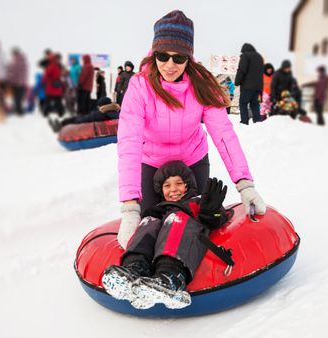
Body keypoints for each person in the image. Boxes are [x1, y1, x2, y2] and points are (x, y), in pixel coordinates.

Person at [115, 10, 266, 250]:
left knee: (196, 219)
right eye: (163, 56)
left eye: (179, 58)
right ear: (154, 54)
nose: (170, 65)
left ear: (189, 57)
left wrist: (245, 184)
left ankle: (181, 268)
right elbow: (129, 141)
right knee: (151, 221)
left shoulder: (202, 85)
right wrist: (130, 206)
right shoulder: (139, 86)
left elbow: (224, 135)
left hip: (192, 159)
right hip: (152, 161)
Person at [103, 161, 228, 309]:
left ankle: (170, 278)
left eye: (179, 183)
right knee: (149, 221)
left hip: (189, 242)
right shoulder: (158, 210)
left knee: (176, 219)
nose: (173, 189)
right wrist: (152, 217)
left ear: (188, 185)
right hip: (158, 247)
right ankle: (134, 269)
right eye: (167, 186)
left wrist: (210, 211)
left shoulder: (197, 203)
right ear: (161, 190)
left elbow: (217, 220)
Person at [48, 96, 119, 132]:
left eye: (99, 106)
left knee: (78, 119)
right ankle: (61, 123)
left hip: (89, 123)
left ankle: (61, 125)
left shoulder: (106, 112)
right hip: (91, 120)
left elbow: (116, 117)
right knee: (78, 118)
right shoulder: (110, 111)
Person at [235, 43, 264, 124]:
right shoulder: (259, 57)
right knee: (255, 105)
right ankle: (257, 122)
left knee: (243, 103)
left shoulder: (245, 56)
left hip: (247, 87)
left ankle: (244, 122)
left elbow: (241, 70)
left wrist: (237, 81)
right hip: (258, 88)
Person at [6, 48, 28, 116]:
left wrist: (10, 82)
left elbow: (13, 73)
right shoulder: (24, 61)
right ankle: (19, 110)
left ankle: (18, 111)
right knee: (19, 98)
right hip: (22, 83)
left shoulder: (15, 61)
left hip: (16, 83)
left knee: (16, 98)